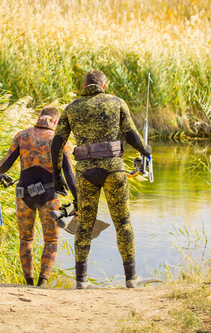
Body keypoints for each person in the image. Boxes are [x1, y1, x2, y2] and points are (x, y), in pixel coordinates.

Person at [51, 70, 151, 289]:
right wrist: (145, 149)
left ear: (84, 86)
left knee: (84, 225)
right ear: (104, 86)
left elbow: (57, 143)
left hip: (85, 173)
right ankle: (131, 278)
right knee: (122, 222)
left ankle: (81, 281)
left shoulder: (72, 108)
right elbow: (132, 135)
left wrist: (57, 174)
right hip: (113, 170)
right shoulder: (117, 103)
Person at [0, 106, 76, 287]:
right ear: (54, 121)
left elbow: (5, 165)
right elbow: (69, 174)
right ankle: (42, 283)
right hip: (49, 196)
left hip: (24, 196)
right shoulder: (59, 140)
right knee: (51, 239)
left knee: (26, 239)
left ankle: (28, 283)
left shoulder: (21, 136)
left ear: (40, 117)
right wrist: (79, 201)